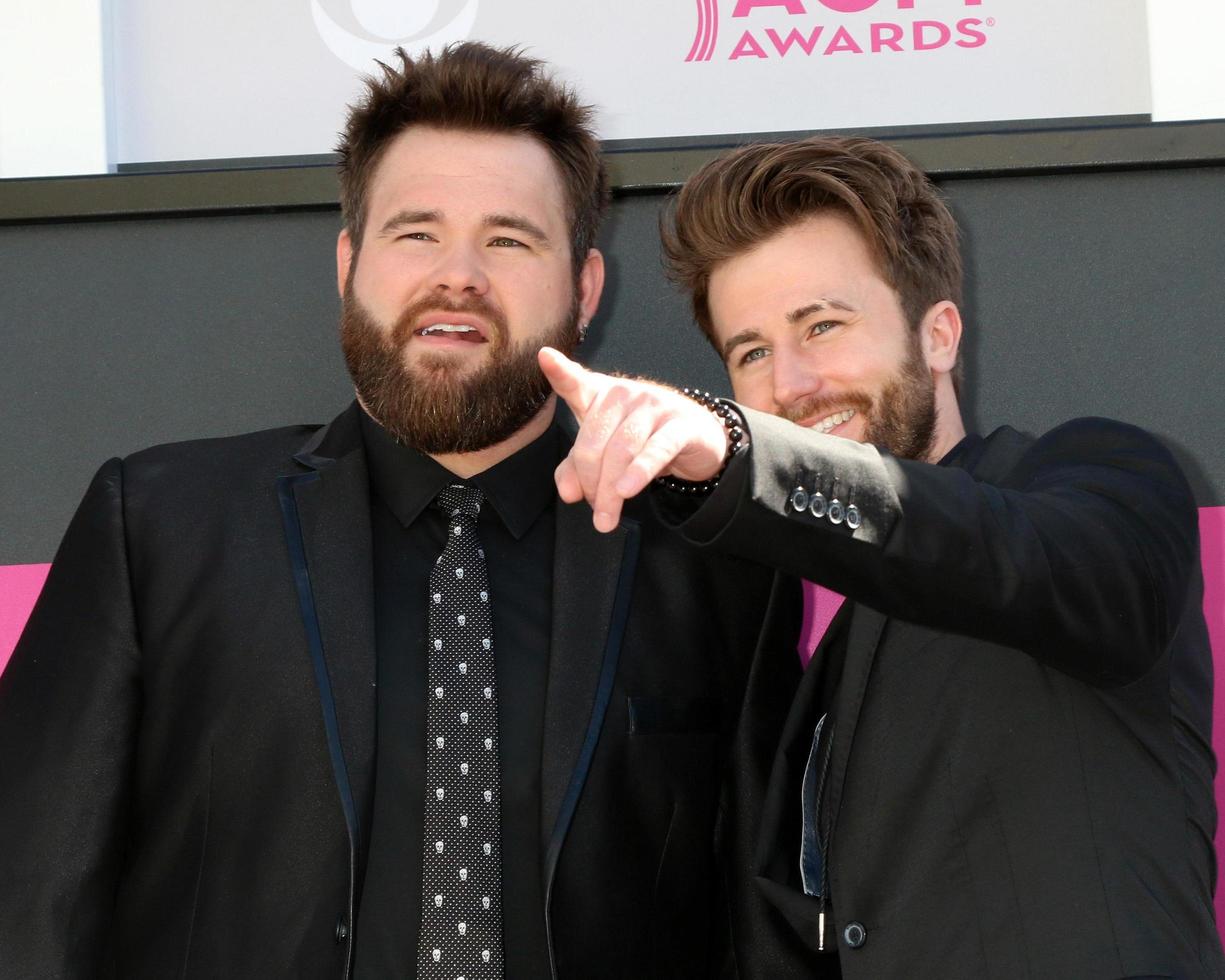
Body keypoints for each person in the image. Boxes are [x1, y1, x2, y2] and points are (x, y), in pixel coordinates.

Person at [0, 44, 777, 979]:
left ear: (584, 287)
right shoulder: (158, 529)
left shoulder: (707, 553)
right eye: (416, 232)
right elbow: (31, 903)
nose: (459, 275)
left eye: (508, 238)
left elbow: (758, 922)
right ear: (348, 263)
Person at [539, 135, 1224, 978]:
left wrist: (740, 453)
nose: (789, 384)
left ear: (937, 336)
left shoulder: (1099, 478)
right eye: (750, 352)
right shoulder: (800, 651)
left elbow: (1014, 558)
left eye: (821, 324)